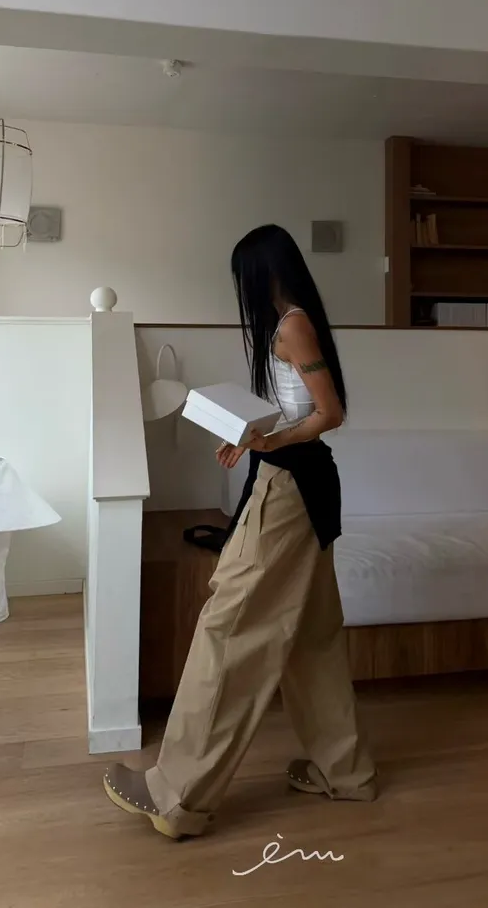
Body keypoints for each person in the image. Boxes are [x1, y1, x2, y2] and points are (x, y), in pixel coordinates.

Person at [103, 224, 377, 839]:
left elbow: (330, 413)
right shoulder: (293, 324)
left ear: (259, 273)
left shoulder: (292, 326)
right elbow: (301, 411)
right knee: (312, 638)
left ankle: (176, 796)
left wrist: (269, 444)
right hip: (302, 485)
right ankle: (345, 773)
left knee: (228, 627)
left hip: (290, 489)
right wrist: (251, 435)